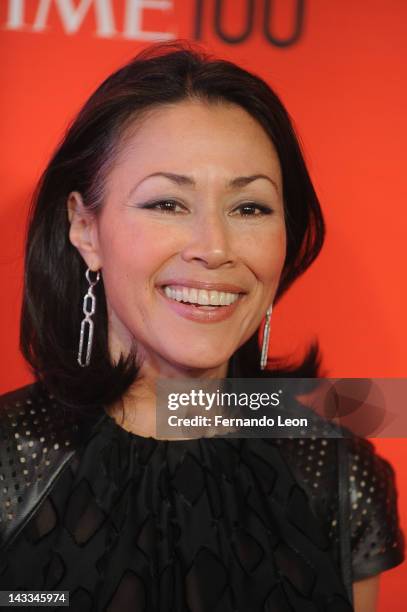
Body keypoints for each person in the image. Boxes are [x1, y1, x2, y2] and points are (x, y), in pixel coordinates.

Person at [0, 42, 403, 611]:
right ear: (85, 229)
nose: (214, 247)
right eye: (167, 203)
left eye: (250, 208)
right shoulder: (11, 462)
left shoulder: (333, 470)